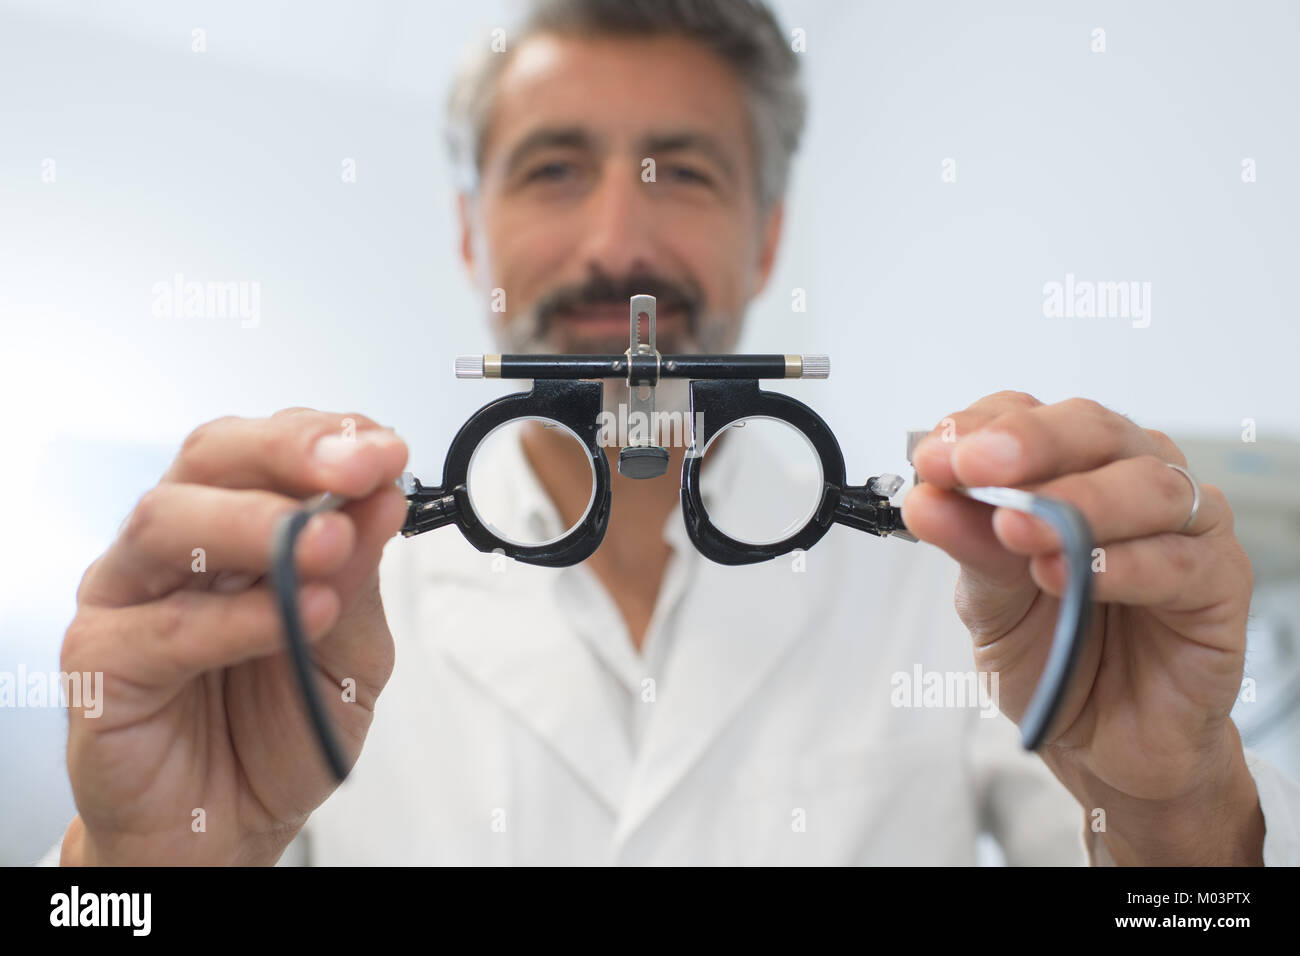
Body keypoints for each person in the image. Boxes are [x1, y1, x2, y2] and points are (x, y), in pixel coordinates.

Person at [47, 0, 1299, 866]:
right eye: (553, 168)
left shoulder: (970, 592)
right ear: (471, 233)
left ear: (766, 237)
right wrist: (138, 869)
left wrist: (1181, 812)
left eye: (682, 171)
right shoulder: (310, 608)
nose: (618, 243)